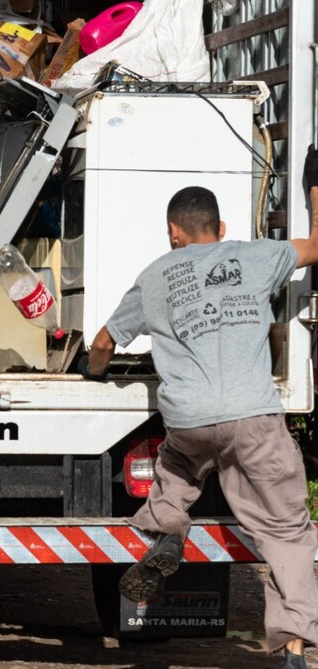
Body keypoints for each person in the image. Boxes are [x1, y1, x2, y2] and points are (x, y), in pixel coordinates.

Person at [81, 156, 318, 668]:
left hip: (189, 423)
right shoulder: (257, 256)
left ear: (174, 233)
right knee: (286, 529)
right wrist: (315, 186)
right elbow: (316, 247)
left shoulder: (154, 276)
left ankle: (168, 527)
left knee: (176, 467)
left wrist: (93, 371)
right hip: (253, 419)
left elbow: (102, 342)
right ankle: (294, 644)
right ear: (221, 228)